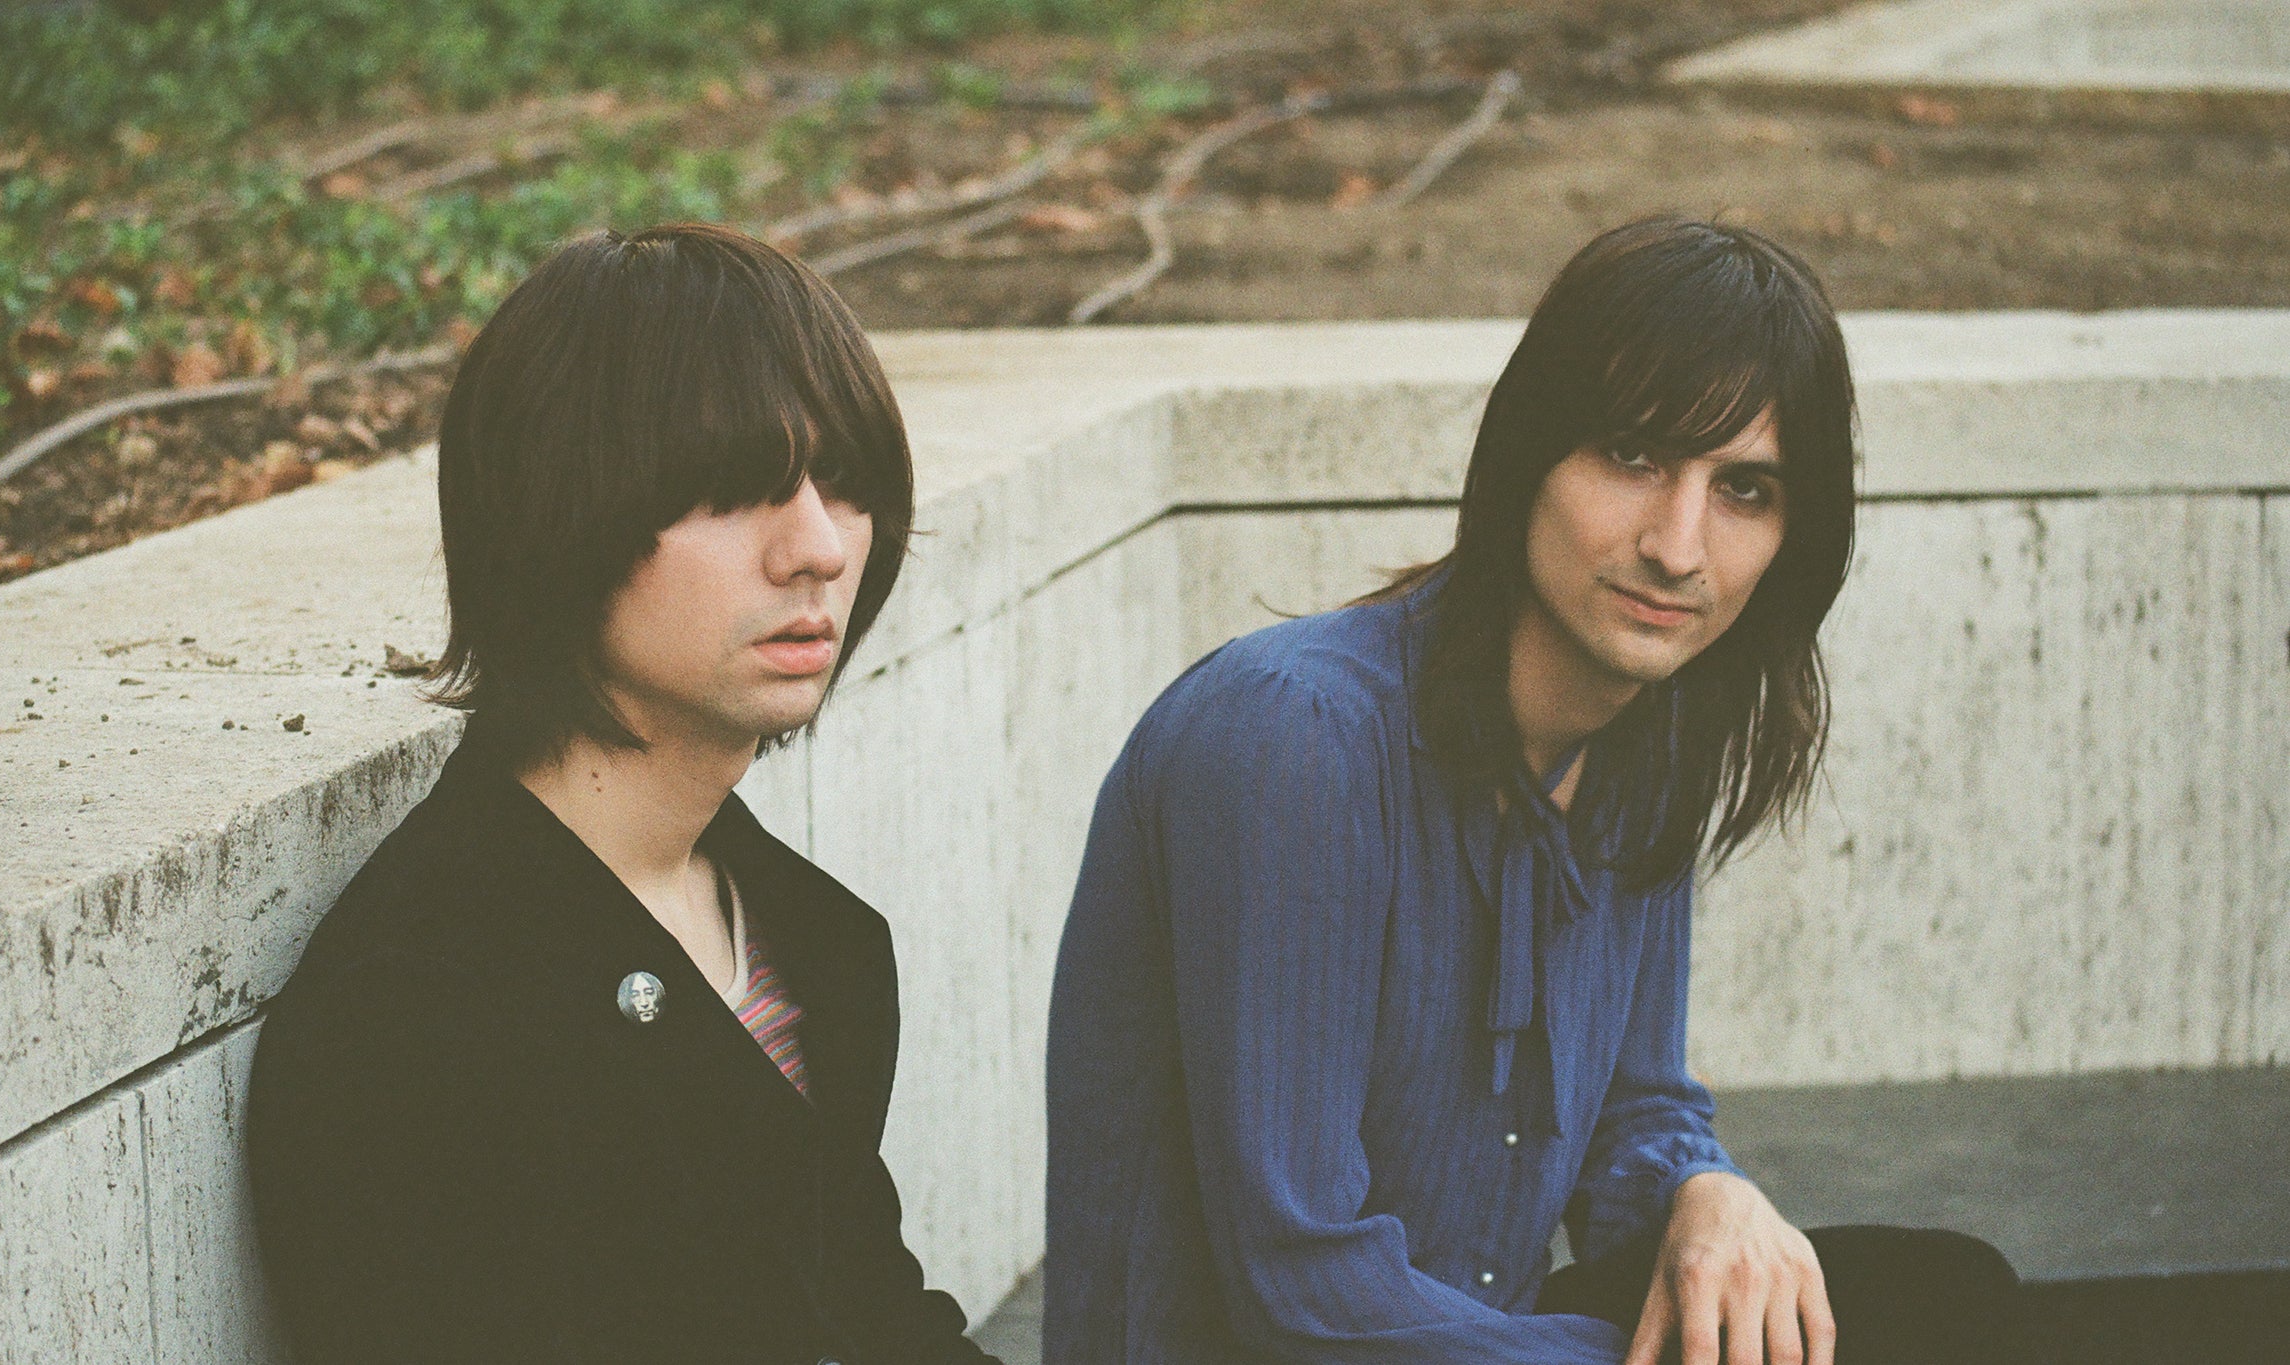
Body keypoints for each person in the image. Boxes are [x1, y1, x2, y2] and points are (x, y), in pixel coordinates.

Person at [1045, 217, 2030, 1365]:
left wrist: (1705, 1193)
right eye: (1632, 457)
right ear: (1527, 455)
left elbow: (1634, 1114)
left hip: (1487, 1344)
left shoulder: (1643, 741)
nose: (1677, 544)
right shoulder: (1295, 739)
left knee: (1937, 1296)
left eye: (1743, 489)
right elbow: (1299, 1288)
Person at [246, 223, 996, 1365]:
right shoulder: (425, 1007)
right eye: (738, 489)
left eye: (841, 484)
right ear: (561, 519)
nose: (818, 549)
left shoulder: (805, 933)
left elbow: (881, 1320)